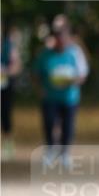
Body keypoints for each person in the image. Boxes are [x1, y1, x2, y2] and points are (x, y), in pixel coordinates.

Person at [34, 18, 86, 169]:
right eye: (58, 37)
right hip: (50, 97)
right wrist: (40, 89)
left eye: (64, 36)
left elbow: (82, 74)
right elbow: (36, 74)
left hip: (69, 97)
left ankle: (65, 153)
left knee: (68, 125)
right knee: (49, 123)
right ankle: (51, 149)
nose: (61, 40)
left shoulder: (75, 53)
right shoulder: (45, 55)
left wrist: (72, 81)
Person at [1, 20, 22, 161]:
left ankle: (8, 145)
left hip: (4, 86)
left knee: (5, 115)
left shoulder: (8, 45)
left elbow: (17, 66)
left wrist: (5, 71)